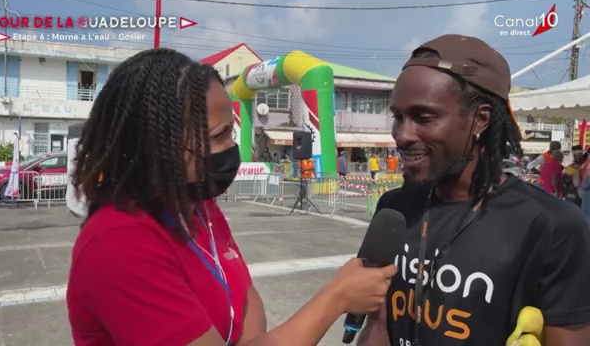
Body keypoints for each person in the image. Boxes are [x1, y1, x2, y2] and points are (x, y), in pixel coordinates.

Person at [65, 48, 398, 346]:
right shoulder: (120, 245)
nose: (234, 148)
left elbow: (245, 300)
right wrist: (336, 297)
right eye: (219, 135)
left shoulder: (198, 207)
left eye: (232, 132)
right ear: (156, 146)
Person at [357, 35, 590, 345]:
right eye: (397, 117)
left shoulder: (553, 227)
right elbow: (378, 327)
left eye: (423, 117)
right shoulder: (394, 208)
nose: (402, 135)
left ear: (480, 119)